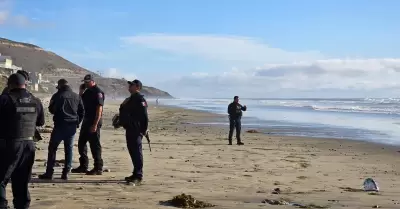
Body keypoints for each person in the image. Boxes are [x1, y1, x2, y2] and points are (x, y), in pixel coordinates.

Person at [0, 73, 45, 209]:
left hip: (9, 144)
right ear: (25, 84)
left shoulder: (4, 99)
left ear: (10, 85)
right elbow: (41, 122)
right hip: (29, 145)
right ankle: (22, 205)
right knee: (22, 179)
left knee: (1, 179)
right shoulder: (35, 100)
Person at [38, 79, 85, 180]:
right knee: (69, 149)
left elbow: (51, 109)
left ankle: (49, 172)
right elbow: (82, 112)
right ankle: (66, 172)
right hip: (72, 126)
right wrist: (77, 123)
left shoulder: (57, 96)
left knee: (52, 149)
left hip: (59, 125)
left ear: (59, 86)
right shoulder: (77, 96)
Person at [71, 74, 105, 175]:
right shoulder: (87, 92)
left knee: (95, 145)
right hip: (86, 120)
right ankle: (83, 165)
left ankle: (98, 167)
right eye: (84, 82)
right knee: (81, 143)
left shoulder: (98, 92)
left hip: (94, 121)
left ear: (93, 81)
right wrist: (81, 92)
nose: (85, 83)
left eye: (87, 82)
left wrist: (95, 124)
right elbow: (79, 102)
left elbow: (99, 109)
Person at [118, 79, 148, 185]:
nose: (129, 87)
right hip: (129, 128)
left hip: (136, 129)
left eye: (132, 85)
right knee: (132, 151)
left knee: (136, 152)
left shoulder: (140, 99)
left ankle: (138, 175)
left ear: (137, 87)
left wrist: (143, 130)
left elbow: (144, 117)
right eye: (129, 85)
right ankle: (135, 173)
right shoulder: (130, 99)